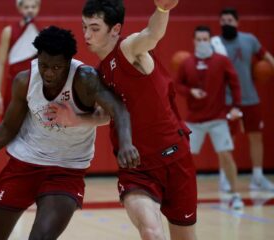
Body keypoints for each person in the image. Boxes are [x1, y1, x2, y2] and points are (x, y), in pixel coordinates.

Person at [0, 26, 139, 240]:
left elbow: (118, 108)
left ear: (69, 62)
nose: (49, 73)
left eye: (57, 67)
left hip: (66, 169)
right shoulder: (24, 81)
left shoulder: (85, 79)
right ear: (37, 59)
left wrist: (126, 143)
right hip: (23, 164)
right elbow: (8, 127)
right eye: (44, 65)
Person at [79, 0, 197, 239]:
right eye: (84, 27)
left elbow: (152, 34)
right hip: (137, 167)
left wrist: (162, 9)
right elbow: (106, 115)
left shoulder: (129, 48)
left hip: (175, 157)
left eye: (94, 28)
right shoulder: (100, 73)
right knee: (151, 232)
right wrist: (72, 118)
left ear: (115, 29)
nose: (86, 34)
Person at [175, 25, 244, 209]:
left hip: (217, 118)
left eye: (205, 39)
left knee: (226, 155)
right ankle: (181, 194)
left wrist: (237, 106)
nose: (202, 42)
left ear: (210, 40)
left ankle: (235, 194)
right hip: (194, 120)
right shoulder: (187, 62)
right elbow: (177, 85)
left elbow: (235, 83)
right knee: (184, 158)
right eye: (199, 39)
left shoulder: (222, 61)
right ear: (194, 41)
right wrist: (191, 91)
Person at [211, 8, 274, 191]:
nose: (226, 22)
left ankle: (258, 177)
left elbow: (266, 56)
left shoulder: (250, 40)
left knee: (256, 137)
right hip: (227, 101)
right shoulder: (215, 44)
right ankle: (225, 177)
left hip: (250, 98)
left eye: (230, 19)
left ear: (237, 22)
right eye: (223, 20)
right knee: (225, 140)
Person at [0, 0, 41, 116]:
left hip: (35, 86)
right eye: (26, 7)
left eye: (33, 7)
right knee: (10, 126)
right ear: (19, 8)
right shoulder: (9, 31)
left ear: (38, 8)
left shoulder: (42, 32)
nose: (30, 10)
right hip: (14, 86)